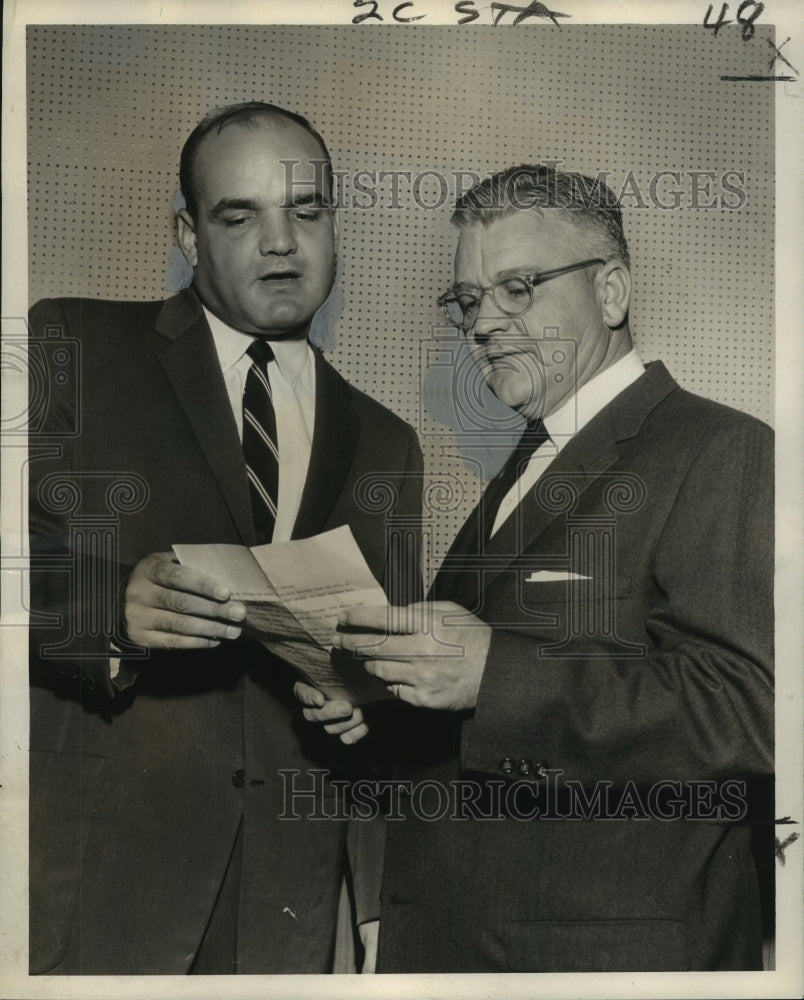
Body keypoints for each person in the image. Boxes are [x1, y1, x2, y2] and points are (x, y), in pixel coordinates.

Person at [329, 164, 774, 972]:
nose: (483, 324)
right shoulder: (528, 463)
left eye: (518, 288)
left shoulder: (724, 450)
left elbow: (749, 713)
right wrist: (387, 701)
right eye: (468, 299)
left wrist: (491, 673)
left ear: (611, 292)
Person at [27, 102, 422, 975]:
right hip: (99, 889)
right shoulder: (73, 343)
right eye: (240, 217)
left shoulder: (387, 442)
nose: (281, 243)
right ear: (188, 234)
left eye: (306, 211)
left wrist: (367, 704)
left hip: (284, 911)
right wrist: (109, 606)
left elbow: (388, 683)